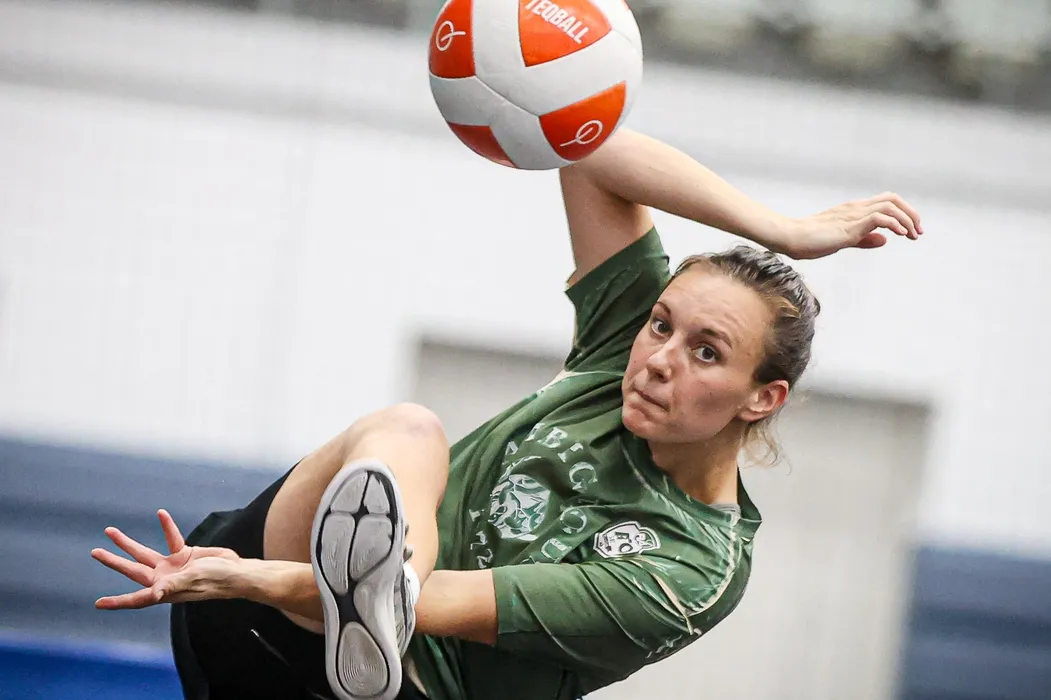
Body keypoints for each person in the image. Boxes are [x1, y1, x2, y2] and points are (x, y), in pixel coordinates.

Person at [91, 127, 922, 700]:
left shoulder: (690, 571)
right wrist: (782, 229)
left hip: (383, 677)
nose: (658, 358)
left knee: (396, 595)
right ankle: (376, 594)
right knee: (409, 428)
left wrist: (240, 577)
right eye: (660, 324)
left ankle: (376, 602)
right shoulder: (616, 357)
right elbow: (587, 147)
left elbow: (435, 608)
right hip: (252, 610)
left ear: (762, 397)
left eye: (706, 352)